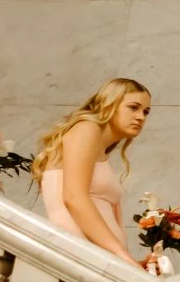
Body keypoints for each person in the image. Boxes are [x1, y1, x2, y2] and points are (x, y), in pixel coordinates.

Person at [31, 78, 153, 269]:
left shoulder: (98, 144)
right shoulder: (86, 129)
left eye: (146, 112)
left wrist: (131, 262)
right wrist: (122, 258)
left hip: (100, 257)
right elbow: (73, 198)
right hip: (85, 258)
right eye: (133, 107)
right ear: (109, 104)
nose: (141, 117)